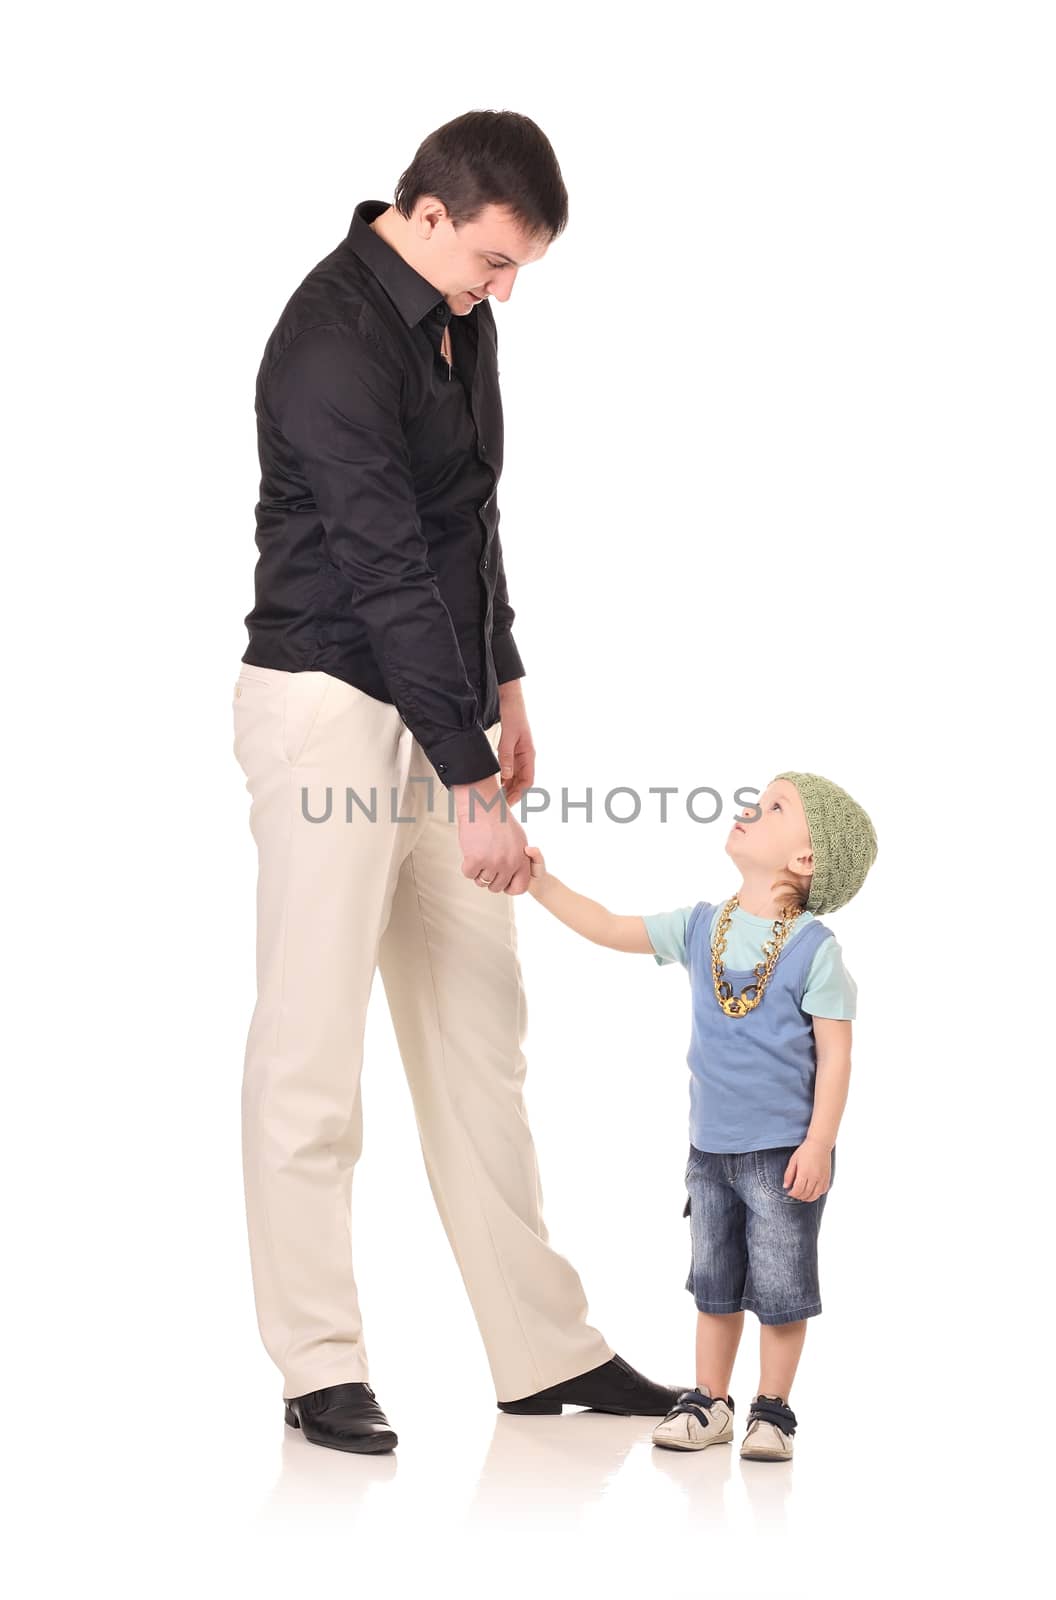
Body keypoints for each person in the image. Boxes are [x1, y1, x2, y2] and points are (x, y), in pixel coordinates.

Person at [231, 109, 684, 1454]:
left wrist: (507, 684)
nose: (506, 291)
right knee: (313, 1056)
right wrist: (473, 785)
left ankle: (544, 1355)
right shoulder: (328, 344)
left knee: (482, 1034)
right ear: (427, 215)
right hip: (325, 703)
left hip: (439, 706)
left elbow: (464, 517)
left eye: (519, 269)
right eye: (495, 261)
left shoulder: (460, 317)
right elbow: (376, 569)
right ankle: (320, 1364)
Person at [522, 771, 878, 1463]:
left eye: (775, 807)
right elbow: (609, 926)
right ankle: (710, 1400)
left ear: (805, 861)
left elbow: (836, 1058)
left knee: (781, 1289)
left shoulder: (814, 950)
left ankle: (772, 1410)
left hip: (783, 1155)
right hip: (710, 1150)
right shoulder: (700, 928)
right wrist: (543, 885)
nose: (751, 807)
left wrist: (820, 1143)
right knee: (713, 1283)